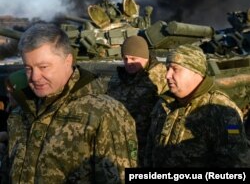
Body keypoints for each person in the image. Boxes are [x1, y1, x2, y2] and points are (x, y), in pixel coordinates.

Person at [6, 23, 138, 183]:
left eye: (43, 67)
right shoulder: (22, 112)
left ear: (68, 61)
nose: (34, 77)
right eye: (28, 68)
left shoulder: (104, 114)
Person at [145, 44, 250, 167]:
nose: (167, 75)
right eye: (167, 68)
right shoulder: (164, 103)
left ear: (195, 71)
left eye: (175, 69)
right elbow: (150, 149)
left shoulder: (221, 110)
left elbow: (237, 162)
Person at [107, 35, 168, 166]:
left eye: (133, 58)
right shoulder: (117, 78)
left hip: (148, 146)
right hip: (120, 145)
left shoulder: (160, 78)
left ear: (145, 58)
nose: (128, 63)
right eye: (125, 59)